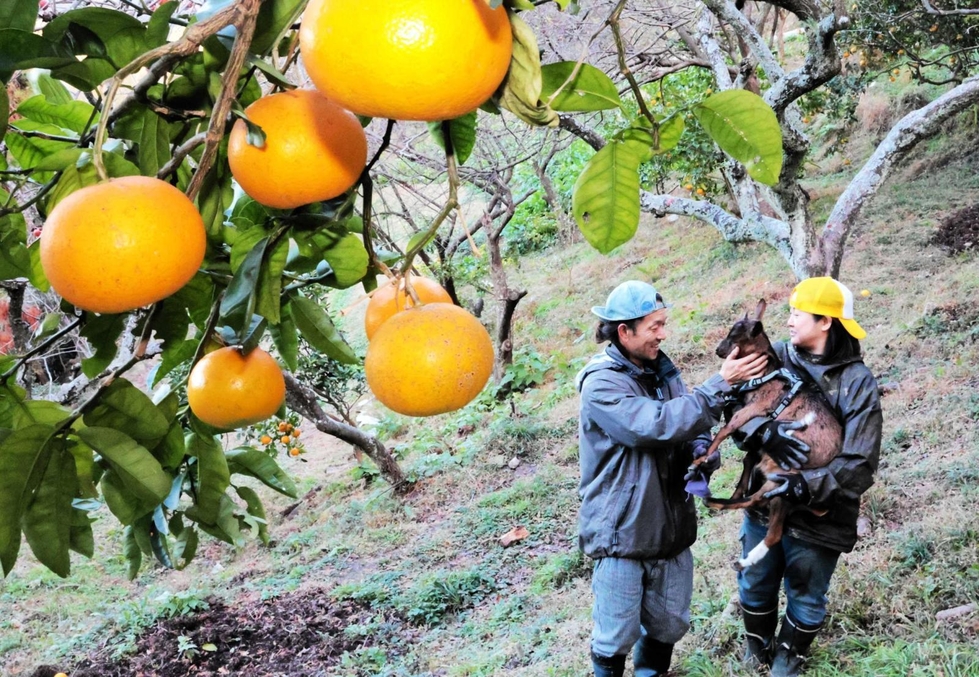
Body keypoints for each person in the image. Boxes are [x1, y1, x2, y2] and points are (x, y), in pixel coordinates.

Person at [577, 280, 790, 677]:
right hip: (623, 529)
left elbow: (687, 425)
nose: (663, 333)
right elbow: (651, 425)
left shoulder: (661, 370)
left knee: (670, 622)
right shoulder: (602, 382)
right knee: (615, 634)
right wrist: (719, 384)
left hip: (671, 524)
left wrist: (701, 452)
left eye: (663, 323)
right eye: (654, 325)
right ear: (625, 331)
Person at [734, 277, 883, 677]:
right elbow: (736, 410)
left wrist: (806, 484)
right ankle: (757, 645)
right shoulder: (777, 357)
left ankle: (789, 656)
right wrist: (761, 433)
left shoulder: (856, 383)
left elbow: (860, 462)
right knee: (755, 580)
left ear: (826, 322)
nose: (790, 321)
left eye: (798, 313)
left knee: (806, 593)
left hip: (822, 516)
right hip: (765, 504)